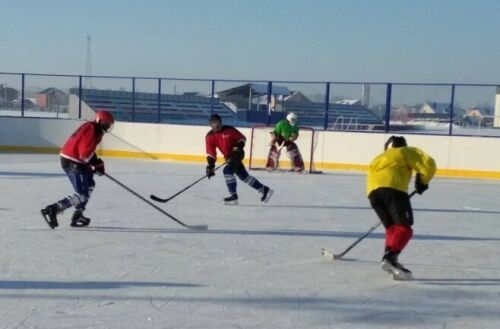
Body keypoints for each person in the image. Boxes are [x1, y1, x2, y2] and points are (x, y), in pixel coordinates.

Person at [366, 135, 436, 280]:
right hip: (394, 189)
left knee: (392, 229)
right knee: (404, 229)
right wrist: (422, 181)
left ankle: (390, 259)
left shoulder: (378, 158)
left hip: (373, 194)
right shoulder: (404, 151)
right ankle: (390, 258)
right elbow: (428, 163)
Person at [40, 111, 115, 229]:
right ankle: (53, 209)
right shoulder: (92, 129)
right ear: (99, 121)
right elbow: (84, 155)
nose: (108, 126)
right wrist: (97, 164)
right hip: (72, 162)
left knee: (90, 185)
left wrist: (96, 163)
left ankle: (78, 214)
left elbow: (87, 151)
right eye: (107, 123)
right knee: (82, 194)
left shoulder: (94, 128)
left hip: (75, 160)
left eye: (110, 124)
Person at [205, 113, 273, 205]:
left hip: (238, 154)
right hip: (228, 157)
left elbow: (242, 139)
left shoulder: (229, 130)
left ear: (220, 122)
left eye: (217, 122)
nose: (215, 125)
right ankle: (264, 189)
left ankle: (233, 196)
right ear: (210, 124)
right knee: (243, 176)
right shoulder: (209, 137)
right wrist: (210, 166)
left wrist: (238, 147)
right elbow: (211, 154)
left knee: (227, 171)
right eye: (213, 123)